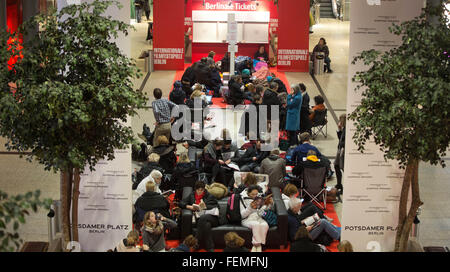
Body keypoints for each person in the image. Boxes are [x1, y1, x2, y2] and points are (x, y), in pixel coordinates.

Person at [179, 181, 220, 252]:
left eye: (202, 190)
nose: (200, 192)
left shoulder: (209, 195)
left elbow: (216, 206)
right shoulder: (192, 195)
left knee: (203, 218)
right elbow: (181, 203)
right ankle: (210, 247)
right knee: (206, 225)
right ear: (195, 189)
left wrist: (205, 206)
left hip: (212, 218)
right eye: (198, 190)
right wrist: (189, 206)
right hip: (200, 218)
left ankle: (196, 243)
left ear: (204, 189)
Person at [240, 184, 274, 252]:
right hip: (247, 219)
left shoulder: (260, 198)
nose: (255, 196)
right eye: (253, 194)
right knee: (256, 225)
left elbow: (263, 212)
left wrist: (269, 204)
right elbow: (242, 215)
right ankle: (257, 246)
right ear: (248, 193)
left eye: (256, 194)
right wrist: (250, 208)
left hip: (259, 218)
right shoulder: (242, 199)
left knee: (265, 225)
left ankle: (257, 245)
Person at [334, 114, 346, 193]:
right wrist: (339, 130)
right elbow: (341, 139)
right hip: (340, 150)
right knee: (336, 165)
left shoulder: (347, 129)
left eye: (340, 120)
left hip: (342, 151)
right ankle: (339, 184)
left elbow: (344, 141)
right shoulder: (344, 129)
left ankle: (341, 185)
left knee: (342, 167)